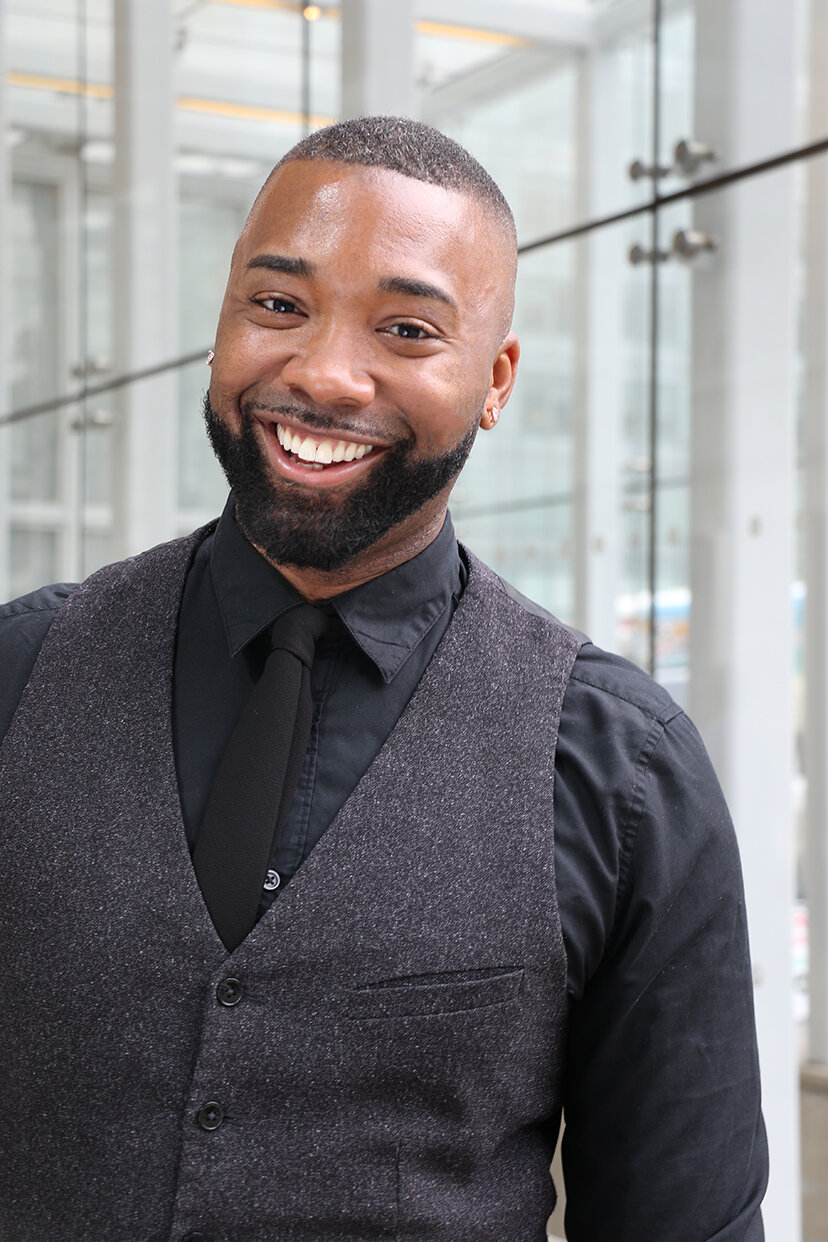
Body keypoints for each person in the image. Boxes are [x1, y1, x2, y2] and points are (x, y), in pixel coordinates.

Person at [0, 116, 767, 1242]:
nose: (322, 373)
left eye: (407, 329)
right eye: (278, 304)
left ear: (497, 381)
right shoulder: (21, 674)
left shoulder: (621, 771)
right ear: (219, 326)